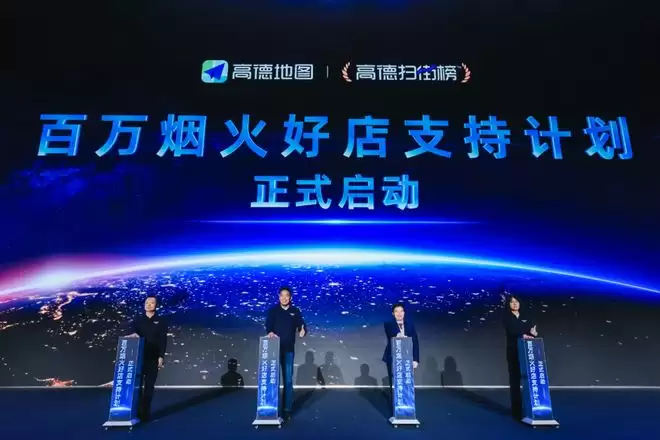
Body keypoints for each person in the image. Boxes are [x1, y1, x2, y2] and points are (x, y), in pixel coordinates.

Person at [265, 286, 306, 420]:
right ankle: (273, 409)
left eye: (286, 295)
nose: (284, 298)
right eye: (282, 295)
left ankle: (287, 409)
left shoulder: (295, 311)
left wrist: (302, 330)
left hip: (289, 350)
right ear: (279, 297)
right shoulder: (273, 311)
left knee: (288, 380)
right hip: (274, 350)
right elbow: (268, 327)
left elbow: (301, 325)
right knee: (274, 380)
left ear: (290, 297)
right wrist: (270, 332)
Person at [126, 295, 168, 421]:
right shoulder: (138, 320)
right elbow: (132, 334)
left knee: (149, 386)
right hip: (138, 357)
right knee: (137, 386)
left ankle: (146, 412)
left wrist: (161, 356)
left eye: (152, 302)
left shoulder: (161, 321)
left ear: (156, 305)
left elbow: (163, 340)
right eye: (147, 302)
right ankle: (137, 411)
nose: (149, 305)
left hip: (153, 357)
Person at [503, 295, 537, 420]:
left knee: (530, 379)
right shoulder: (506, 317)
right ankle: (516, 410)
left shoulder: (526, 317)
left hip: (527, 351)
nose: (515, 304)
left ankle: (532, 409)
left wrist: (533, 333)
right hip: (513, 352)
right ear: (508, 304)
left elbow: (531, 330)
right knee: (515, 380)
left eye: (517, 301)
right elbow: (513, 330)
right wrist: (524, 334)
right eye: (512, 302)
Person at [382, 303, 419, 402]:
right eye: (396, 311)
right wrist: (399, 335)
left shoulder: (410, 325)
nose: (399, 313)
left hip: (407, 357)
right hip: (393, 356)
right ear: (393, 313)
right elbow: (391, 334)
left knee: (407, 380)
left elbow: (415, 342)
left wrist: (415, 359)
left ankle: (407, 402)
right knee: (394, 380)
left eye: (401, 311)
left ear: (404, 312)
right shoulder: (388, 324)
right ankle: (396, 402)